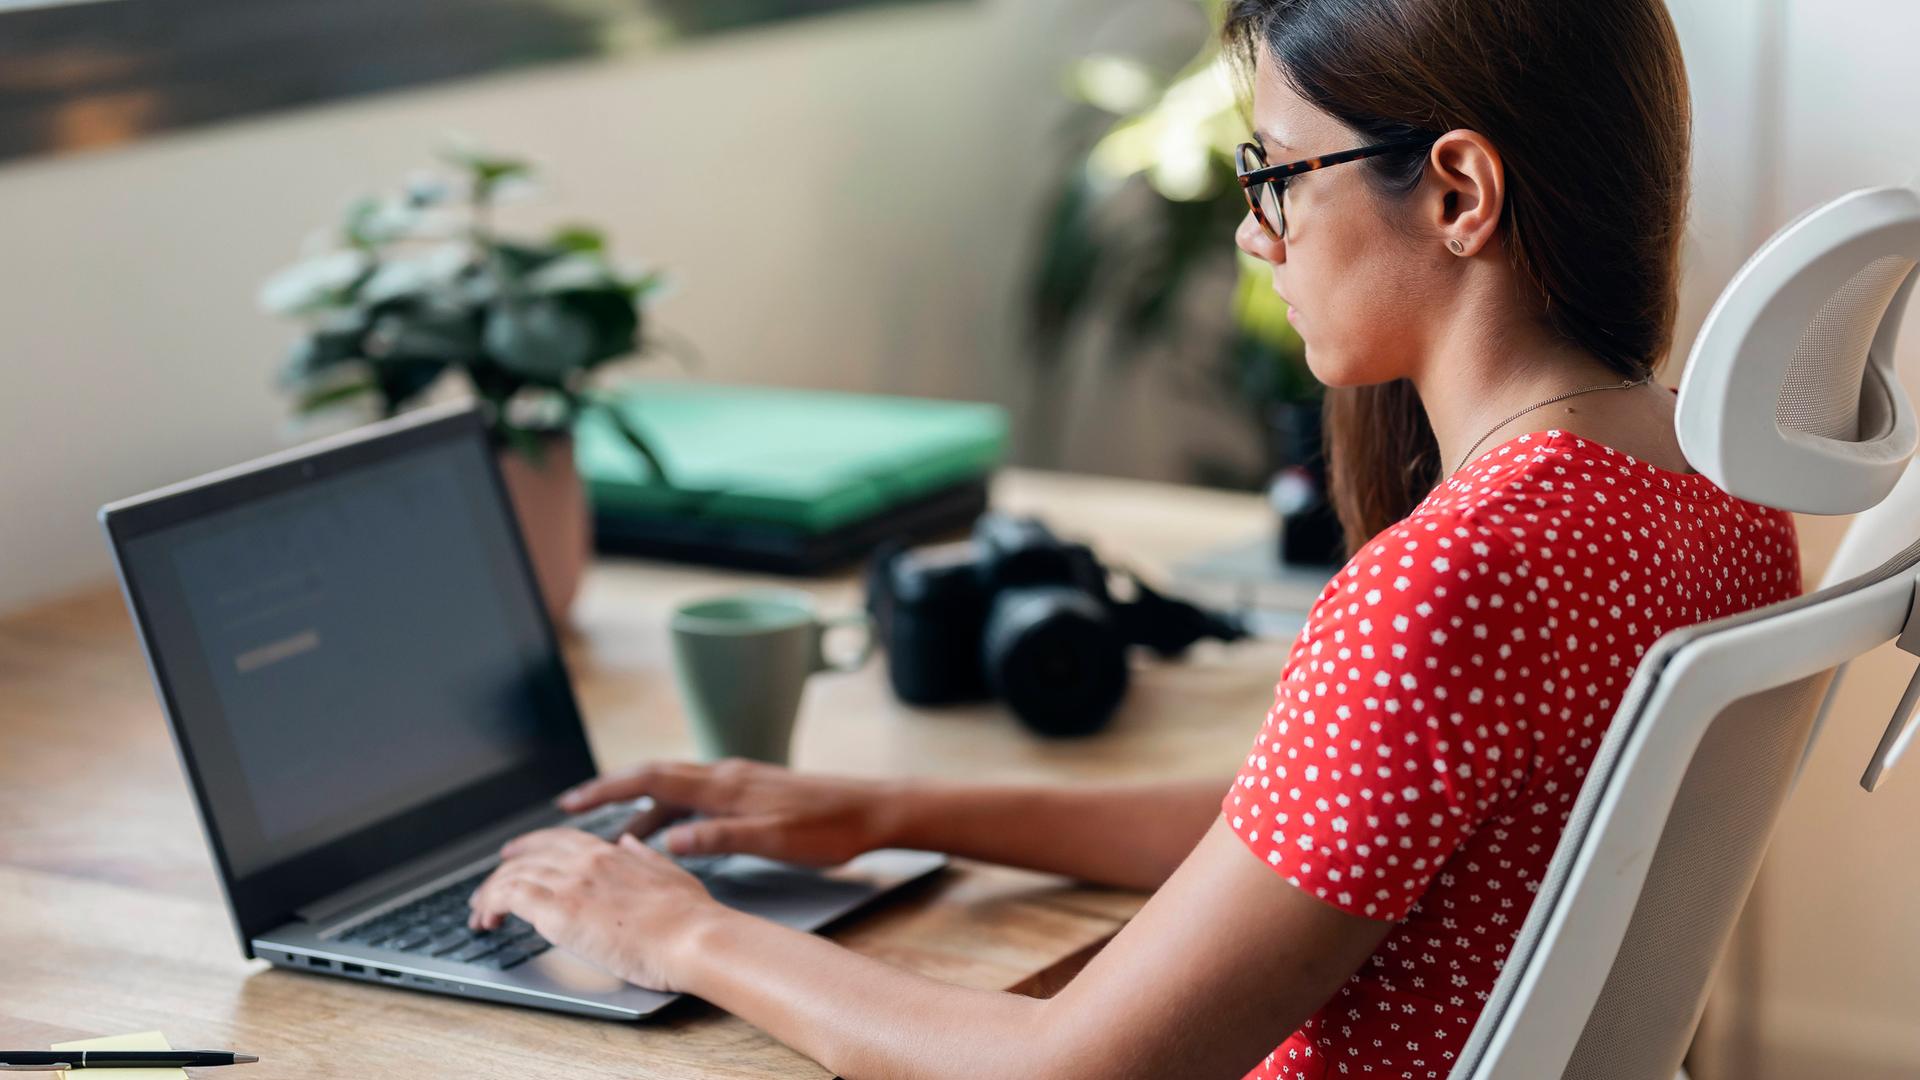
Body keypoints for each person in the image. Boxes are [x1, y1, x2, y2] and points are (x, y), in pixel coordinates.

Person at [466, 0, 1803, 1075]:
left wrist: (678, 935)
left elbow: (1075, 1065)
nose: (1249, 230)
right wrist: (882, 811)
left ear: (1459, 191)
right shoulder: (1715, 489)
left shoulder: (1452, 582)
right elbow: (1307, 840)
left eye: (1277, 172)